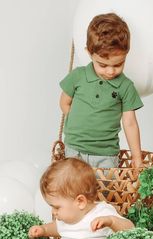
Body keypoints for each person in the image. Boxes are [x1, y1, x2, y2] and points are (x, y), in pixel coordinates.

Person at [15, 158, 134, 239]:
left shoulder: (102, 213)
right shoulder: (65, 217)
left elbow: (130, 229)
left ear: (80, 202)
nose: (53, 212)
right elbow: (57, 228)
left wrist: (112, 222)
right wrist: (43, 230)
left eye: (56, 207)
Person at [59, 13, 143, 168]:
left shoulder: (126, 86)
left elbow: (130, 122)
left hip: (106, 155)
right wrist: (79, 123)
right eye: (103, 65)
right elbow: (64, 102)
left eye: (118, 64)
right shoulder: (78, 76)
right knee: (73, 189)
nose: (110, 71)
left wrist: (137, 157)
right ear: (89, 53)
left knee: (106, 191)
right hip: (75, 149)